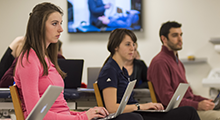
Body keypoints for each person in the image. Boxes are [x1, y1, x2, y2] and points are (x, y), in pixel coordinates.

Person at [13, 2, 144, 120]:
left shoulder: (45, 58)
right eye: (54, 24)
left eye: (60, 23)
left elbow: (60, 109)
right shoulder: (29, 60)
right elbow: (36, 115)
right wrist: (82, 117)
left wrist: (84, 113)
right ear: (39, 26)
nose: (61, 29)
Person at [97, 28, 200, 120]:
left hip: (136, 113)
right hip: (131, 115)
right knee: (188, 112)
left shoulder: (122, 70)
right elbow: (111, 108)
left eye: (133, 44)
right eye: (128, 44)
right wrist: (140, 107)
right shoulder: (110, 70)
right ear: (115, 46)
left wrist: (144, 106)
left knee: (189, 111)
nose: (132, 48)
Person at [147, 21, 220, 120]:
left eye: (181, 35)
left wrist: (208, 101)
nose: (180, 39)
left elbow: (189, 95)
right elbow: (168, 99)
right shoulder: (160, 62)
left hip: (186, 108)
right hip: (175, 113)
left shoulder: (178, 62)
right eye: (175, 35)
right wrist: (198, 105)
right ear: (163, 39)